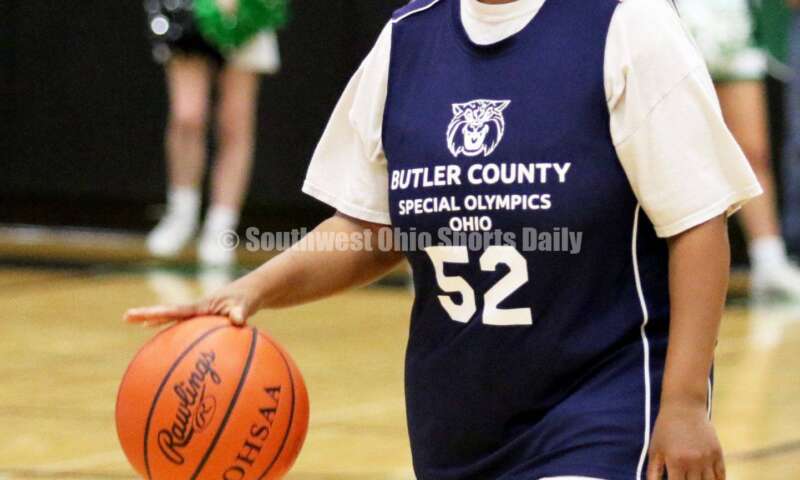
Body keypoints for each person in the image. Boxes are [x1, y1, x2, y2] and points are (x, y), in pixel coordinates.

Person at [126, 0, 763, 478]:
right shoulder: (407, 40)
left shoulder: (623, 23)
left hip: (603, 402)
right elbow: (370, 226)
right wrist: (251, 290)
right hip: (456, 422)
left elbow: (699, 221)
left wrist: (682, 404)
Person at [144, 0, 281, 266]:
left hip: (248, 10)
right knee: (187, 116)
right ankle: (181, 214)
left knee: (234, 122)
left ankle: (221, 225)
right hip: (185, 10)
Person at [678, 0, 800, 297]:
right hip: (674, 19)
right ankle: (671, 270)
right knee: (679, 156)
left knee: (753, 150)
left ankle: (769, 260)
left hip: (731, 24)